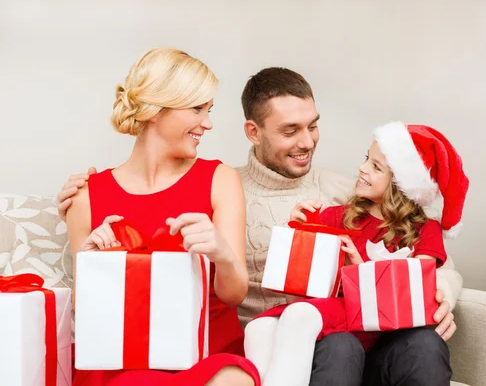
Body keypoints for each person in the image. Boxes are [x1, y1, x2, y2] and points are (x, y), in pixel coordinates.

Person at [58, 67, 463, 385]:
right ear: (253, 132)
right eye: (290, 131)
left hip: (358, 331)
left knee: (423, 343)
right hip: (290, 344)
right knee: (338, 347)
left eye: (313, 125)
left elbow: (422, 249)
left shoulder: (350, 194)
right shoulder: (220, 186)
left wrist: (442, 292)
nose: (307, 142)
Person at [65, 47, 260, 386]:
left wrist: (221, 253)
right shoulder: (85, 196)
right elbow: (87, 313)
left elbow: (234, 295)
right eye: (197, 108)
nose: (208, 123)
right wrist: (92, 261)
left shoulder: (219, 179)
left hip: (206, 355)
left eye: (209, 110)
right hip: (124, 360)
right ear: (156, 111)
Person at [244, 121, 469, 386]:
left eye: (376, 167)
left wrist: (358, 268)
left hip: (386, 349)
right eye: (366, 159)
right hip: (337, 346)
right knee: (333, 343)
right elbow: (301, 298)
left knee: (425, 342)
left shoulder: (425, 230)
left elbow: (414, 295)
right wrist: (299, 234)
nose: (362, 168)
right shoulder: (334, 218)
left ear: (401, 185)